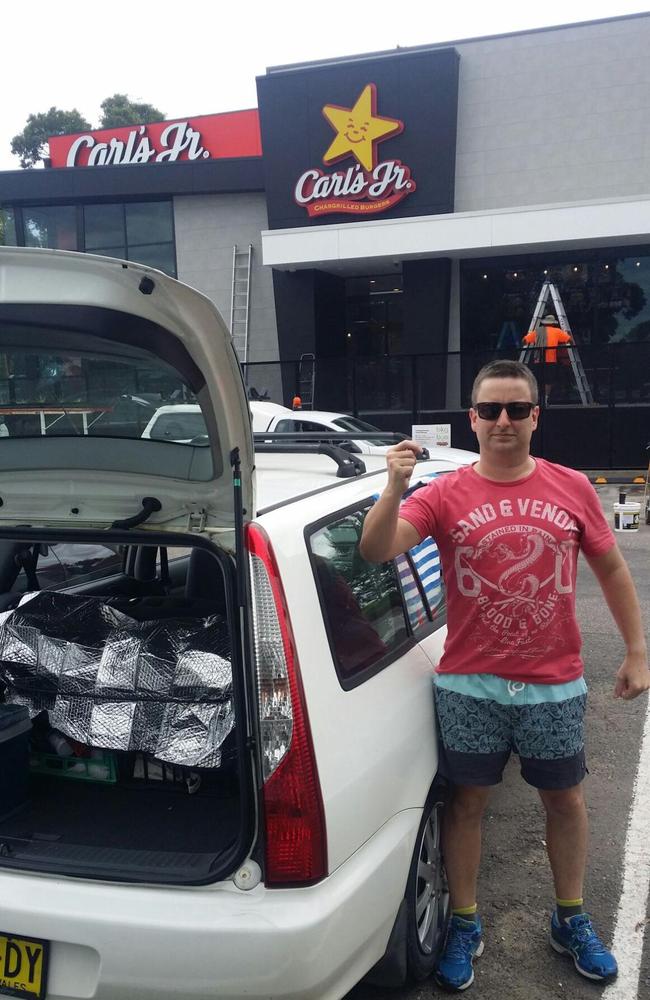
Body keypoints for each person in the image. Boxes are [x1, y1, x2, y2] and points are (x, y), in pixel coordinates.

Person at [359, 359, 648, 992]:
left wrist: (638, 651)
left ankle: (569, 917)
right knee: (467, 805)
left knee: (564, 800)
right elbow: (377, 550)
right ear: (473, 417)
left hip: (553, 683)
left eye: (517, 409)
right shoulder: (442, 494)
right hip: (469, 685)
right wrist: (392, 486)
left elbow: (613, 571)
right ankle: (464, 921)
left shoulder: (570, 486)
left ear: (536, 416)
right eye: (490, 409)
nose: (503, 421)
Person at [522, 314, 572, 405]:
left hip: (538, 359)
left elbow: (524, 341)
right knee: (548, 380)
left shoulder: (538, 331)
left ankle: (536, 399)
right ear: (553, 323)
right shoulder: (557, 331)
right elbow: (569, 340)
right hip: (551, 360)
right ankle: (545, 399)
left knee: (537, 380)